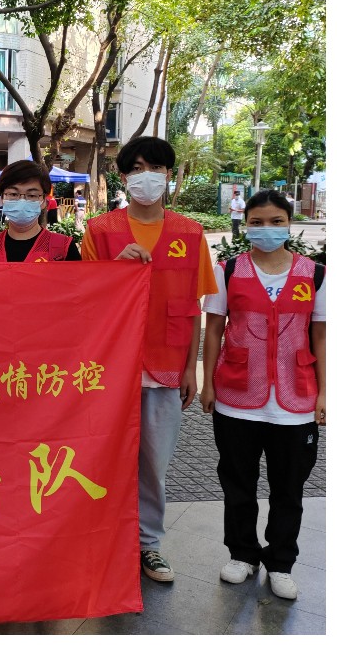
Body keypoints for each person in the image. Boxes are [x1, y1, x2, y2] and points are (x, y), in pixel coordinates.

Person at [81, 136, 219, 584]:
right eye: (137, 168)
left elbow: (195, 306)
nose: (147, 176)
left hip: (165, 365)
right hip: (109, 369)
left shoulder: (189, 233)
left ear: (169, 176)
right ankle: (101, 539)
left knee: (154, 464)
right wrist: (112, 271)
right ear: (123, 177)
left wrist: (190, 370)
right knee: (100, 461)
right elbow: (79, 300)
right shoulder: (100, 232)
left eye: (156, 168)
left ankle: (149, 545)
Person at [200, 189, 325, 601]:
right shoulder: (229, 270)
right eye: (257, 222)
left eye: (275, 221)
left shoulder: (315, 273)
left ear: (290, 223)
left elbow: (320, 335)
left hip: (296, 402)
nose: (266, 229)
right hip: (237, 398)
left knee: (289, 489)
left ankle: (281, 561)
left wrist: (323, 393)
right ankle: (242, 554)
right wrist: (208, 383)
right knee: (238, 483)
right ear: (245, 223)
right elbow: (214, 329)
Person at [0, 160, 80, 262]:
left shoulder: (64, 249)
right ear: (2, 198)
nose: (22, 201)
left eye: (32, 195)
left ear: (44, 201)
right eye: (13, 194)